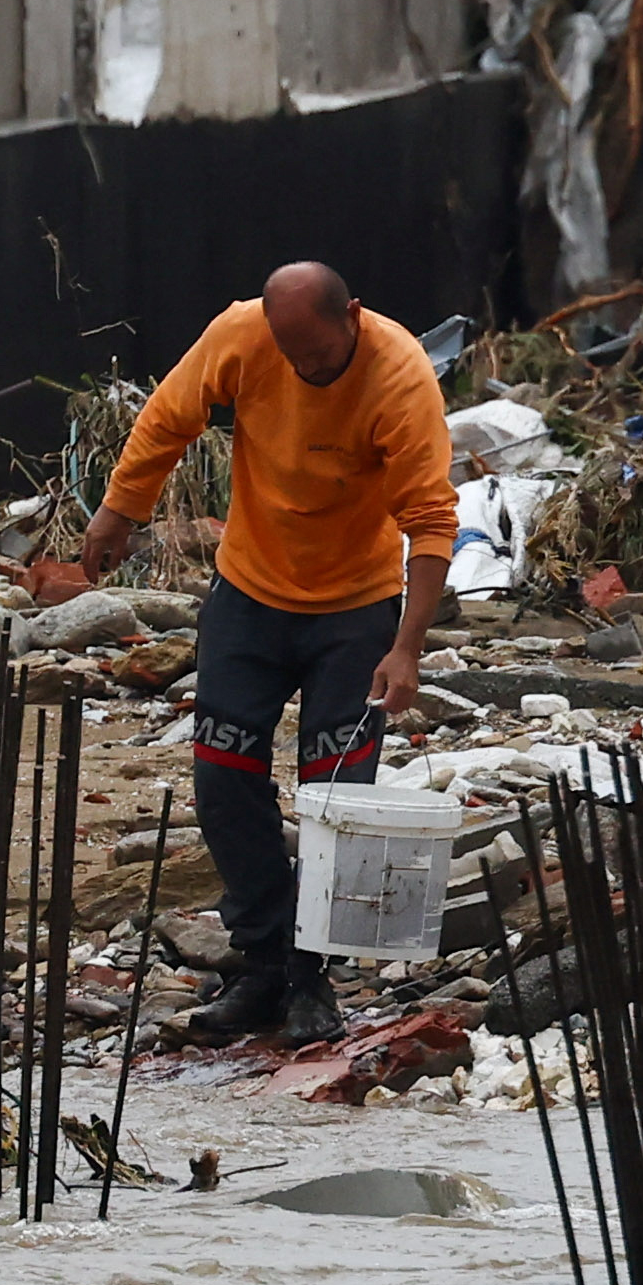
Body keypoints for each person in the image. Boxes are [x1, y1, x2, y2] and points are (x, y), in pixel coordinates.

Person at [76, 260, 455, 1047]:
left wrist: (407, 647)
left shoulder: (401, 375)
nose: (303, 370)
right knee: (223, 779)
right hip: (249, 595)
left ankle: (312, 976)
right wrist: (120, 512)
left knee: (335, 801)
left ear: (353, 314)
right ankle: (261, 962)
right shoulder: (244, 333)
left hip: (355, 609)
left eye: (317, 356)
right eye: (290, 355)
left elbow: (431, 520)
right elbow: (168, 417)